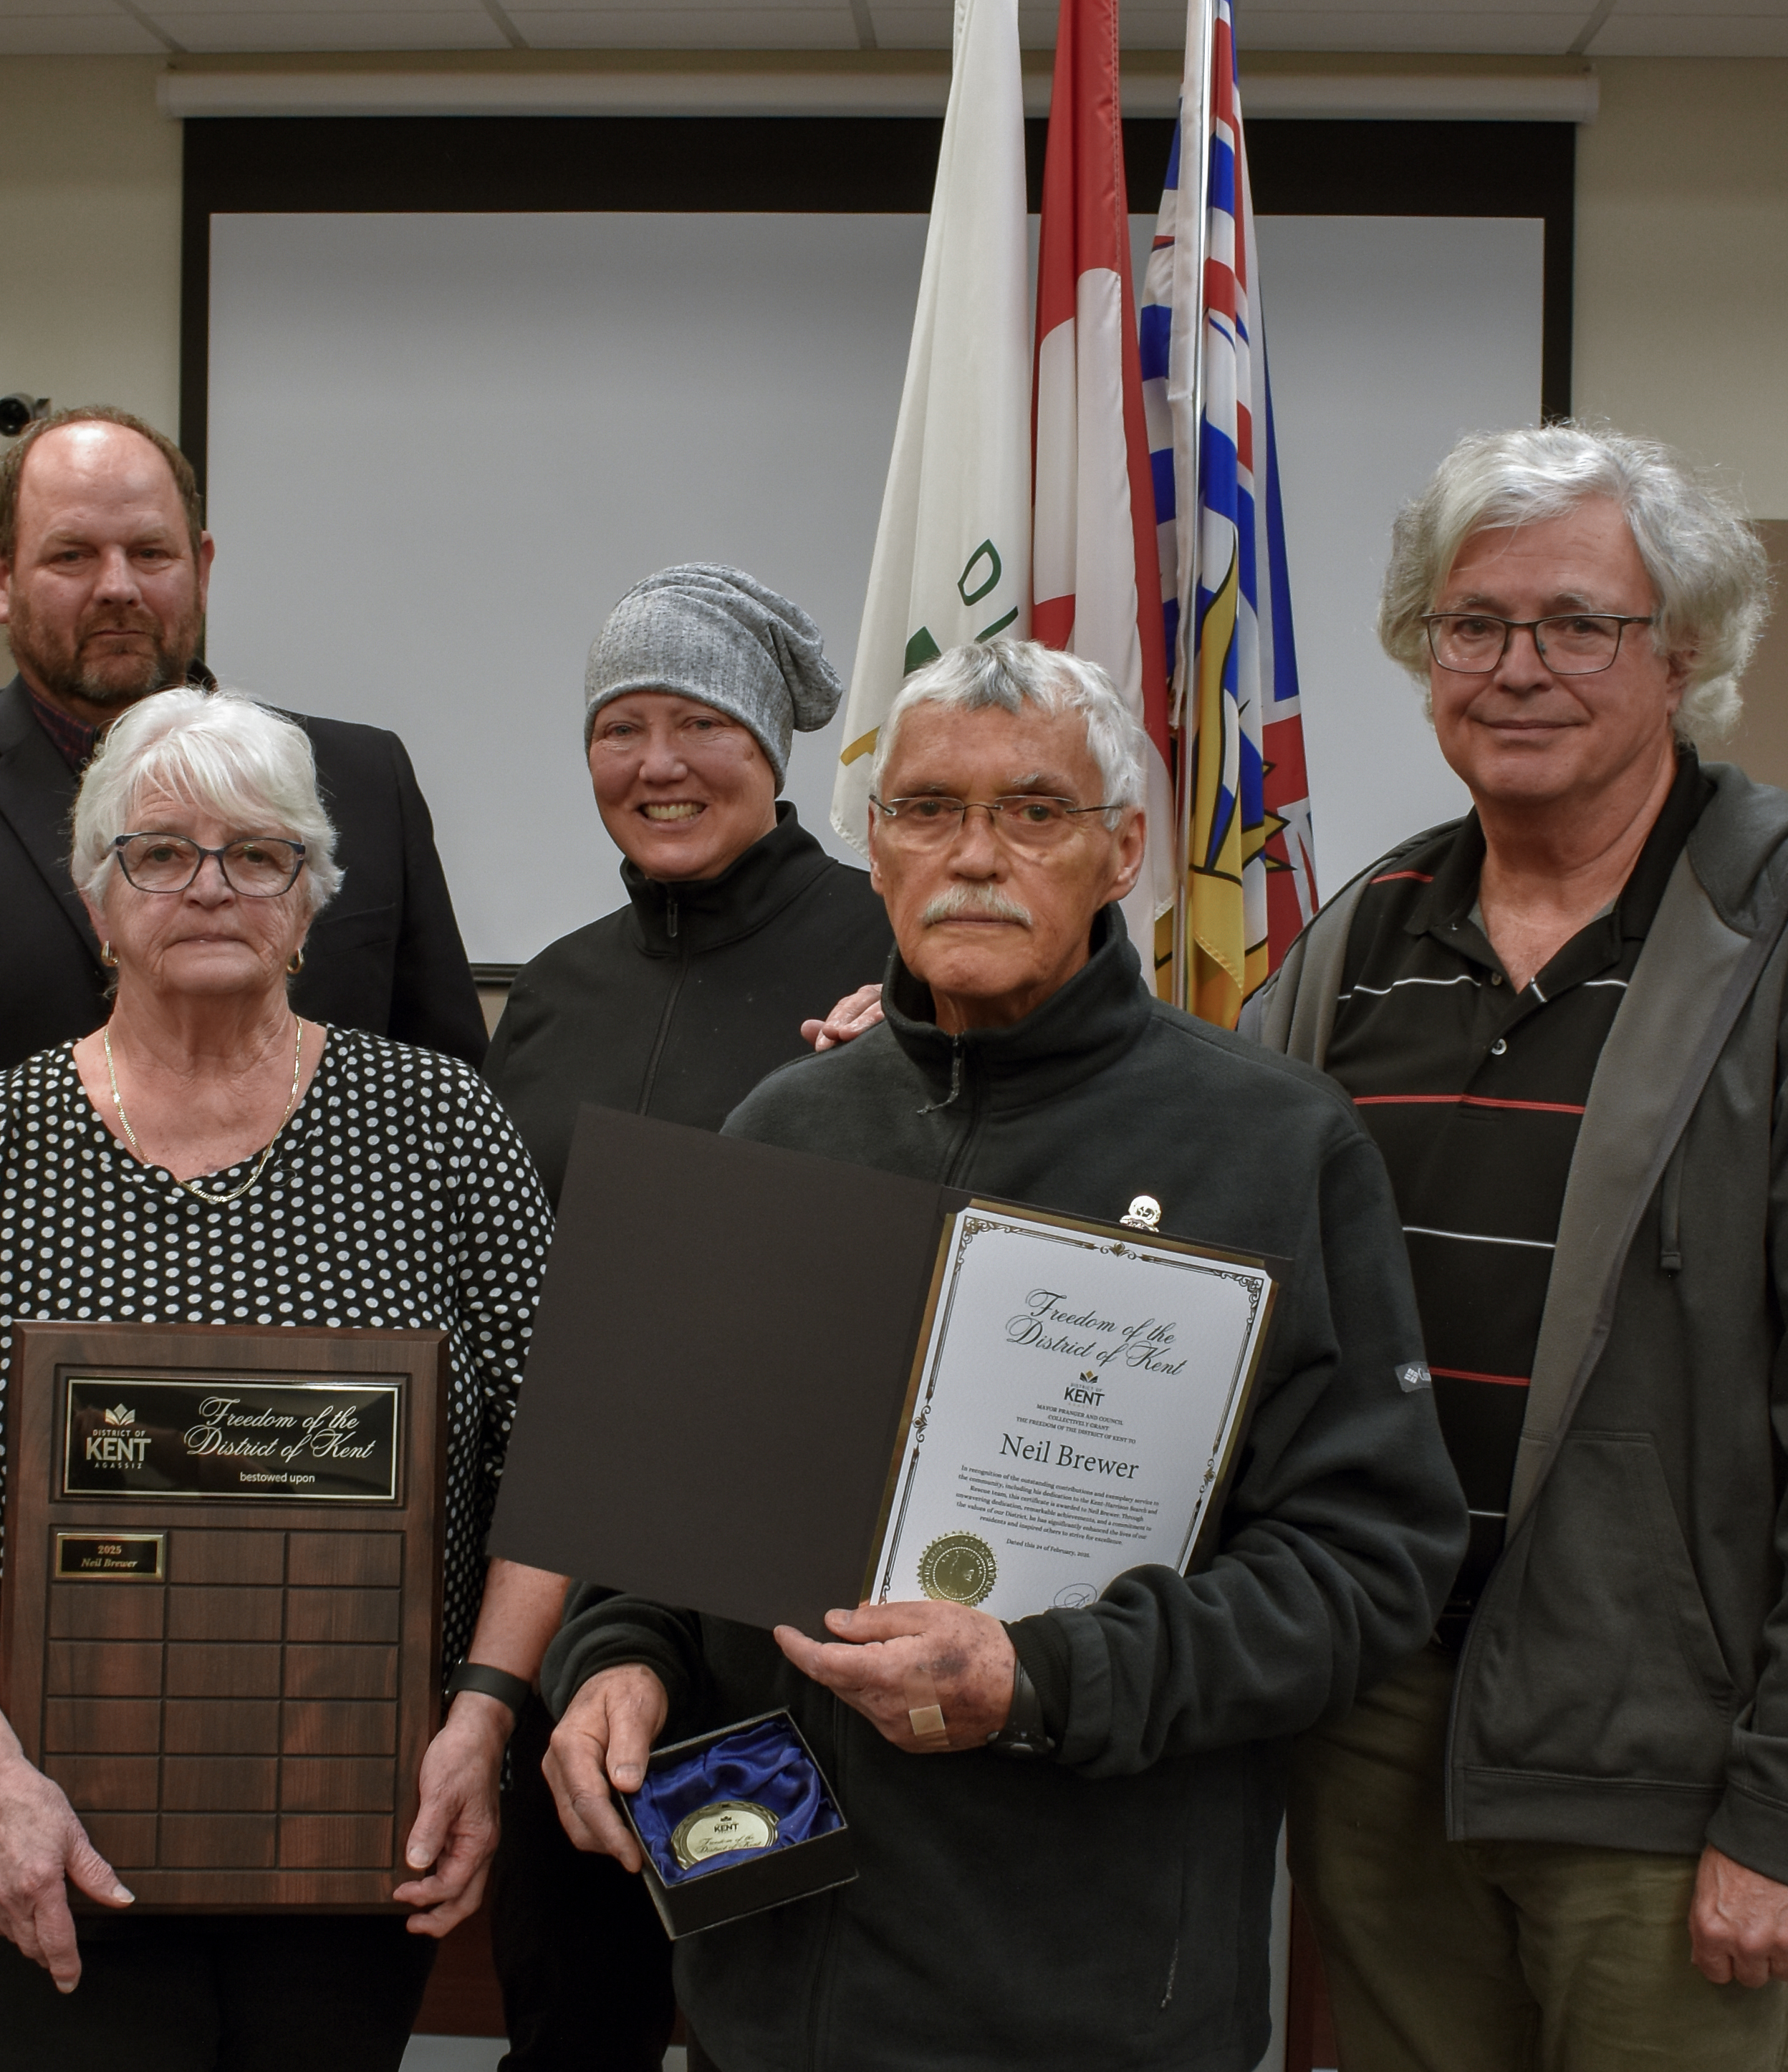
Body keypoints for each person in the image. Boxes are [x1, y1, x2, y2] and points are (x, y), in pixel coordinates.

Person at [540, 640, 1466, 2072]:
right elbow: (665, 1523)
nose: (973, 855)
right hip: (769, 1980)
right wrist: (618, 1659)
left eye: (1033, 810)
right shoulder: (783, 1129)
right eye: (926, 810)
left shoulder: (1274, 1146)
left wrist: (1043, 1676)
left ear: (1123, 852)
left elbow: (1366, 1565)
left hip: (1091, 1994)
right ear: (874, 846)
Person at [0, 406, 484, 2072]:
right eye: (72, 552)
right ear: (1, 576)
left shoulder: (353, 778)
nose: (117, 583)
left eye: (149, 548)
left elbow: (447, 1110)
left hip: (329, 1592)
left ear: (202, 565)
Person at [1248, 424, 1788, 2071]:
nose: (1517, 667)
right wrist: (942, 1034)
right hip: (1379, 1738)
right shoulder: (1357, 938)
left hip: (1661, 1766)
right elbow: (1192, 1213)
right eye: (1472, 622)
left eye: (1577, 623)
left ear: (1683, 653)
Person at [0, 688, 559, 2070]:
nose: (210, 885)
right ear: (97, 899)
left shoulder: (444, 1130)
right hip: (43, 1828)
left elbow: (560, 1465)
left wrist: (484, 1718)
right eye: (159, 852)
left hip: (360, 1816)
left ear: (310, 896)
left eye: (258, 853)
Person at [482, 564, 890, 2068]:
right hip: (560, 1600)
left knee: (770, 2024)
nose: (656, 763)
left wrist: (909, 1066)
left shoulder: (894, 962)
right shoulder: (553, 991)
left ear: (772, 745)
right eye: (620, 727)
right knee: (570, 2014)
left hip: (782, 1616)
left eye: (700, 722)